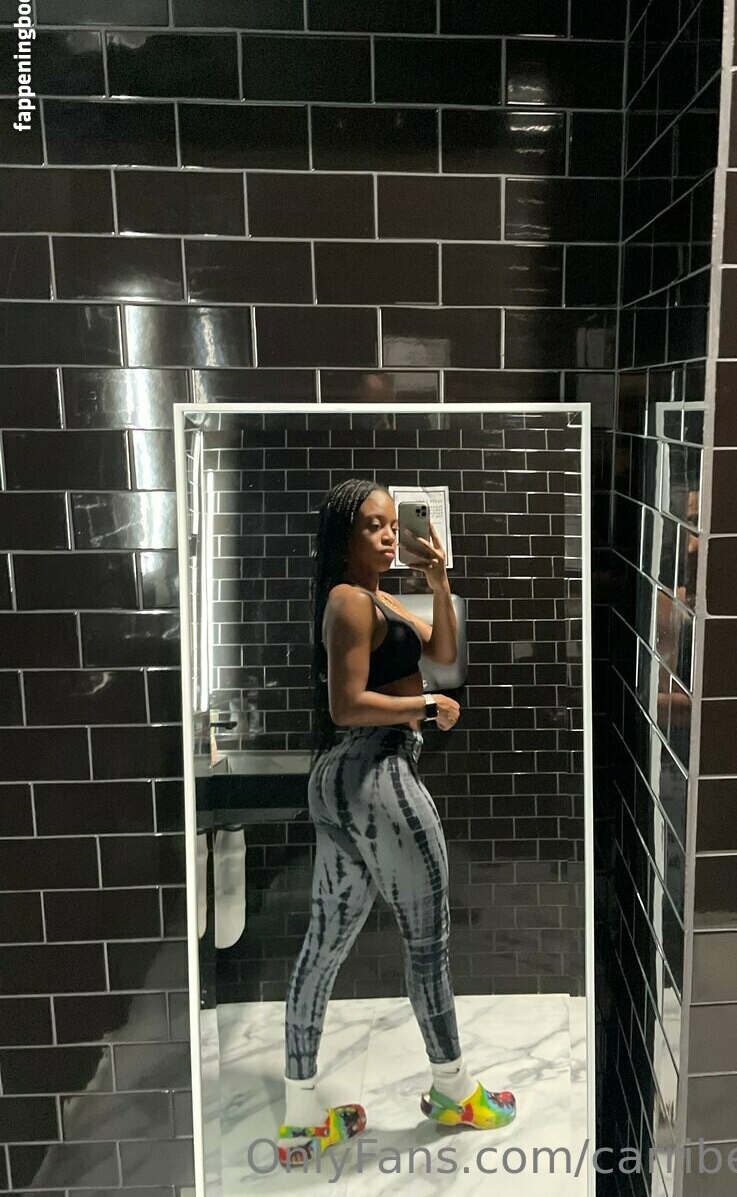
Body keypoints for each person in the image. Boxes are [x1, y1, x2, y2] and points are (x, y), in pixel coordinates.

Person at [278, 478, 517, 1165]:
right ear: (345, 536)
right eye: (373, 526)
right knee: (427, 943)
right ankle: (454, 1091)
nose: (388, 535)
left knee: (323, 947)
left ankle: (301, 1118)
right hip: (378, 773)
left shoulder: (376, 598)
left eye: (393, 524)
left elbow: (442, 656)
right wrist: (424, 709)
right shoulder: (350, 601)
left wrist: (438, 582)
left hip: (344, 783)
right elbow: (346, 704)